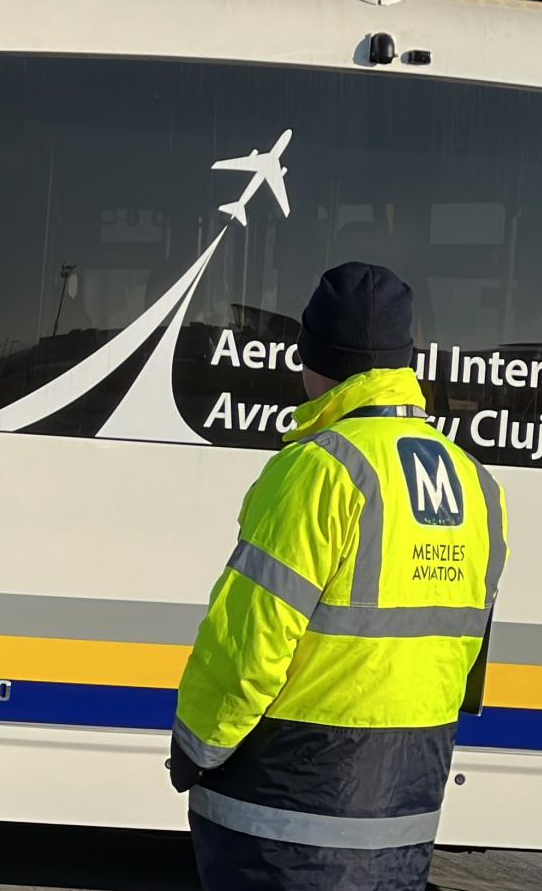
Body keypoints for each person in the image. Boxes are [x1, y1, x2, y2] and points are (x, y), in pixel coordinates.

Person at [170, 262, 508, 891]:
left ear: (315, 359)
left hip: (288, 813)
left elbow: (249, 644)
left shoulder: (318, 471)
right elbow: (464, 653)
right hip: (406, 807)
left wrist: (197, 746)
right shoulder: (475, 482)